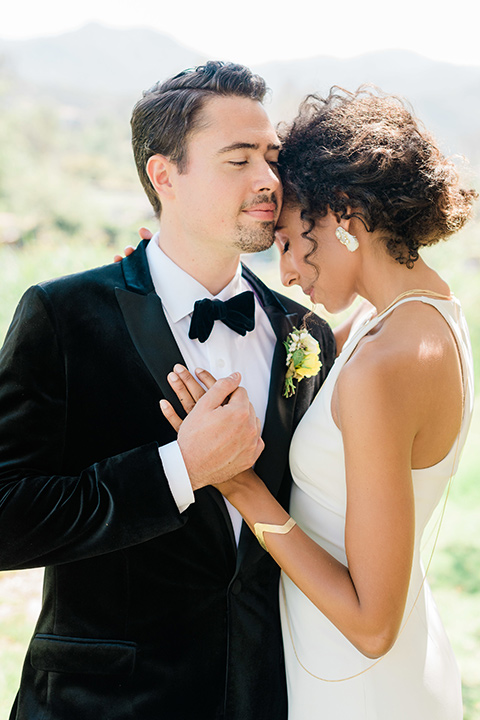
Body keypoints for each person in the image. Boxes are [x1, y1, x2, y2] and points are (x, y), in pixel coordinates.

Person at [0, 62, 336, 720]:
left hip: (261, 699)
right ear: (165, 176)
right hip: (100, 704)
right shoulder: (62, 315)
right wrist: (180, 469)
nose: (268, 180)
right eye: (238, 159)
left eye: (271, 157)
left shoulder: (306, 333)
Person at [161, 87, 477, 719]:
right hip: (385, 664)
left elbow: (369, 625)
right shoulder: (413, 320)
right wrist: (166, 265)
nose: (286, 272)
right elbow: (291, 347)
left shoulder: (384, 365)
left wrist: (240, 486)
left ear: (341, 216)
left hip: (355, 682)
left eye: (283, 241)